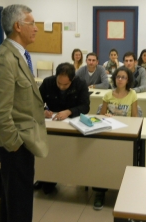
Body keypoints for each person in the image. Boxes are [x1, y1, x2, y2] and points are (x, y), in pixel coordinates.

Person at [0, 4, 48, 222]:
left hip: (22, 140)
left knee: (13, 200)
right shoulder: (4, 59)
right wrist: (14, 145)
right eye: (31, 23)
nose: (36, 28)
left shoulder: (20, 55)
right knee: (20, 203)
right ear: (17, 26)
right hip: (14, 144)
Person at [37, 62, 90, 193]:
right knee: (49, 153)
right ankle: (45, 178)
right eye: (59, 83)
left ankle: (67, 177)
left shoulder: (81, 83)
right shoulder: (48, 82)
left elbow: (85, 106)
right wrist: (42, 111)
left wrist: (69, 111)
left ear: (72, 80)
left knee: (68, 154)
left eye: (65, 85)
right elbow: (36, 102)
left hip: (72, 124)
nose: (61, 87)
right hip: (52, 123)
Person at [95, 66, 138, 210]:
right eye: (118, 77)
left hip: (125, 134)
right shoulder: (108, 95)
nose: (120, 79)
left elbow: (135, 118)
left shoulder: (132, 95)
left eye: (124, 77)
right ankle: (100, 191)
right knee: (101, 160)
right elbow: (100, 116)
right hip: (109, 132)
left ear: (128, 80)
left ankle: (127, 191)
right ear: (114, 78)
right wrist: (105, 115)